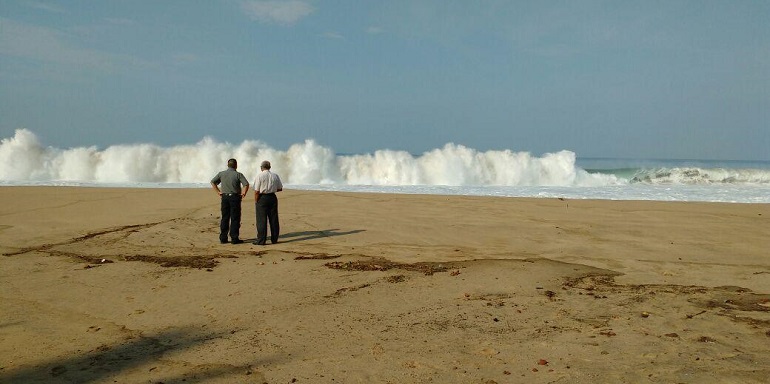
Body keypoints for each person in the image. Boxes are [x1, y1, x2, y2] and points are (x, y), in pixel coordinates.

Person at [210, 158, 250, 244]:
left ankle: (223, 238)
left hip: (224, 197)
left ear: (227, 165)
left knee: (225, 217)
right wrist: (244, 193)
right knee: (235, 218)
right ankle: (234, 238)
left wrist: (218, 192)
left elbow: (213, 182)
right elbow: (246, 184)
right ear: (236, 165)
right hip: (235, 197)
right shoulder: (238, 174)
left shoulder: (221, 174)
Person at [253, 160, 283, 245]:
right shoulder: (275, 175)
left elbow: (256, 191)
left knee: (261, 219)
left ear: (261, 168)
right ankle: (274, 239)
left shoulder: (259, 176)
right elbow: (280, 188)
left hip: (262, 197)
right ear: (270, 167)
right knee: (273, 219)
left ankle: (261, 240)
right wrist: (272, 189)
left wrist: (256, 200)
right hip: (272, 197)